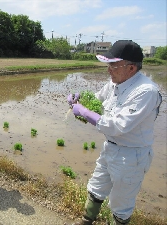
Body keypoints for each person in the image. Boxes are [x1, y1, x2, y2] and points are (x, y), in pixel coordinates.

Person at [67, 40, 162, 225]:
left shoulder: (146, 91)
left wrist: (85, 112)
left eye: (113, 65)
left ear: (131, 68)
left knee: (120, 203)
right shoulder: (115, 82)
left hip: (131, 155)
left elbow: (118, 126)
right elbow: (97, 99)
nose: (109, 69)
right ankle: (86, 221)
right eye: (108, 64)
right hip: (110, 147)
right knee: (96, 187)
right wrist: (80, 101)